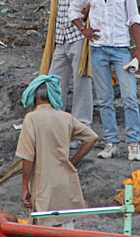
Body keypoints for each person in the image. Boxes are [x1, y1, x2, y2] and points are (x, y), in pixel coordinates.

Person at [69, 0, 140, 161]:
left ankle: (133, 143)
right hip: (98, 48)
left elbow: (134, 18)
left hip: (121, 48)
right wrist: (83, 30)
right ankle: (111, 142)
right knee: (104, 99)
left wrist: (139, 49)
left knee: (129, 97)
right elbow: (73, 11)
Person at [16, 75, 98, 228]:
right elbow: (92, 138)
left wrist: (25, 186)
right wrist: (72, 162)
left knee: (44, 232)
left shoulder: (31, 118)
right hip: (65, 183)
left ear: (34, 98)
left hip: (43, 185)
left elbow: (27, 157)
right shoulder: (66, 118)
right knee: (67, 230)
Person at [39, 0, 95, 143]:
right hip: (61, 39)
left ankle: (81, 130)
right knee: (55, 83)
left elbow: (97, 6)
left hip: (79, 38)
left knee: (82, 84)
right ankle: (57, 128)